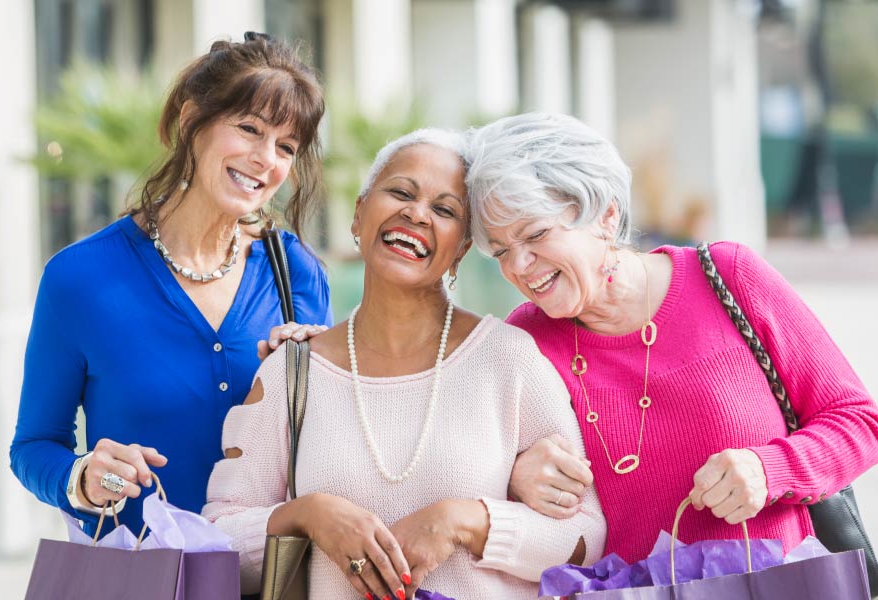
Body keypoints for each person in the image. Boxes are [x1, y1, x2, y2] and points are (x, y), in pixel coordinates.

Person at [202, 129, 607, 600]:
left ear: (461, 249)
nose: (416, 214)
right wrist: (308, 515)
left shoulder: (508, 360)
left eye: (445, 209)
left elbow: (585, 539)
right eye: (400, 192)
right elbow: (217, 546)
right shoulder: (291, 373)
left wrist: (465, 522)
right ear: (359, 213)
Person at [465, 112, 878, 565]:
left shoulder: (728, 277)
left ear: (605, 215)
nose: (518, 267)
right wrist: (513, 477)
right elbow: (464, 472)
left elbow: (859, 420)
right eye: (502, 251)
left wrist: (771, 469)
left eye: (536, 235)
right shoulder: (523, 340)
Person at [10, 32, 333, 537]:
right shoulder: (80, 278)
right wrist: (85, 479)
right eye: (249, 128)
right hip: (137, 575)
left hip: (271, 578)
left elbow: (331, 450)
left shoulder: (297, 273)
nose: (266, 160)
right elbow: (33, 446)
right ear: (190, 123)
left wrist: (320, 385)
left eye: (286, 146)